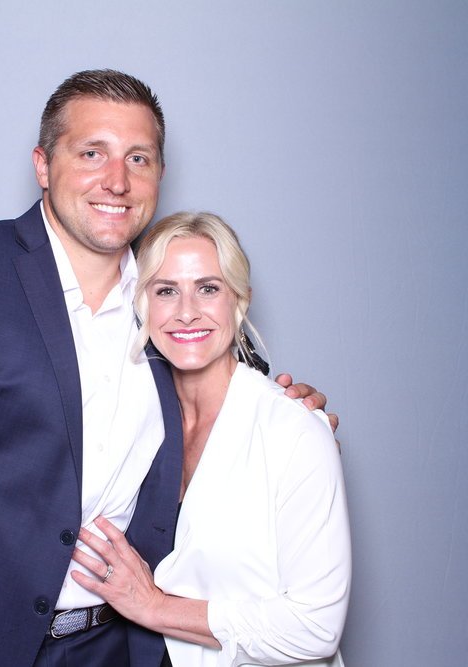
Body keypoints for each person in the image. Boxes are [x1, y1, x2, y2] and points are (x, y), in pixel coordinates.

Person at [0, 70, 335, 667]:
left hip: (111, 648)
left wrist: (290, 420)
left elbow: (230, 426)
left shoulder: (172, 307)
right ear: (43, 164)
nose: (117, 180)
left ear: (159, 175)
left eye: (139, 158)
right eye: (93, 153)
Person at [70, 211, 350, 666]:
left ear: (240, 301)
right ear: (140, 304)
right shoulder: (136, 421)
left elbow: (316, 629)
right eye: (165, 291)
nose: (186, 311)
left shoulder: (293, 430)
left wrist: (155, 606)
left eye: (208, 288)